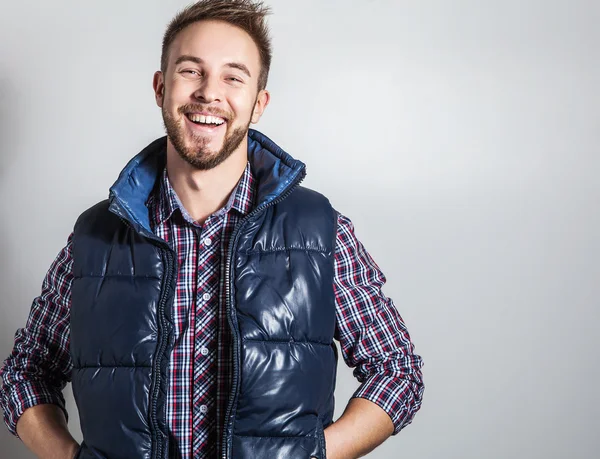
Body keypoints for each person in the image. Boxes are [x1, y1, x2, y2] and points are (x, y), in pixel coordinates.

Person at [0, 1, 424, 458]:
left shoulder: (320, 231)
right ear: (161, 87)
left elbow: (397, 370)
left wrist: (314, 454)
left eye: (233, 77)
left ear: (258, 103)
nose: (209, 93)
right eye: (191, 71)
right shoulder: (95, 238)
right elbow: (24, 373)